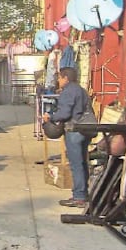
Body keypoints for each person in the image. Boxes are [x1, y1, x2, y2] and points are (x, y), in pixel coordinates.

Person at [41, 66, 91, 208]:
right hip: (86, 129)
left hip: (74, 130)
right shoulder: (81, 90)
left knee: (76, 164)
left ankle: (79, 197)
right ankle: (84, 193)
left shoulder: (67, 92)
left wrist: (50, 116)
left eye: (60, 78)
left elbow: (65, 113)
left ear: (65, 78)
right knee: (82, 163)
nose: (58, 80)